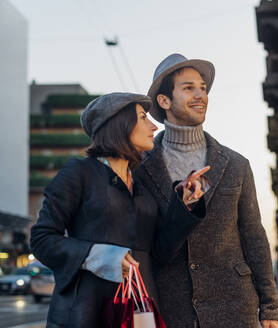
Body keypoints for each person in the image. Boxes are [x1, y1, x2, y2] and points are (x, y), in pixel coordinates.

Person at [30, 92, 209, 328]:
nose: (154, 127)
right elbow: (42, 239)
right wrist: (99, 256)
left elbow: (159, 252)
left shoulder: (142, 187)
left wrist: (184, 204)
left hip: (140, 311)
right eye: (143, 117)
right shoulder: (78, 173)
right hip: (86, 313)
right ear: (118, 124)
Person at [134, 54, 278, 328]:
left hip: (234, 307)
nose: (201, 94)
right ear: (164, 101)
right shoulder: (140, 166)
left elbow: (253, 235)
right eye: (189, 88)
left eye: (203, 87)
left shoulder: (236, 165)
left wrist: (270, 308)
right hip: (170, 308)